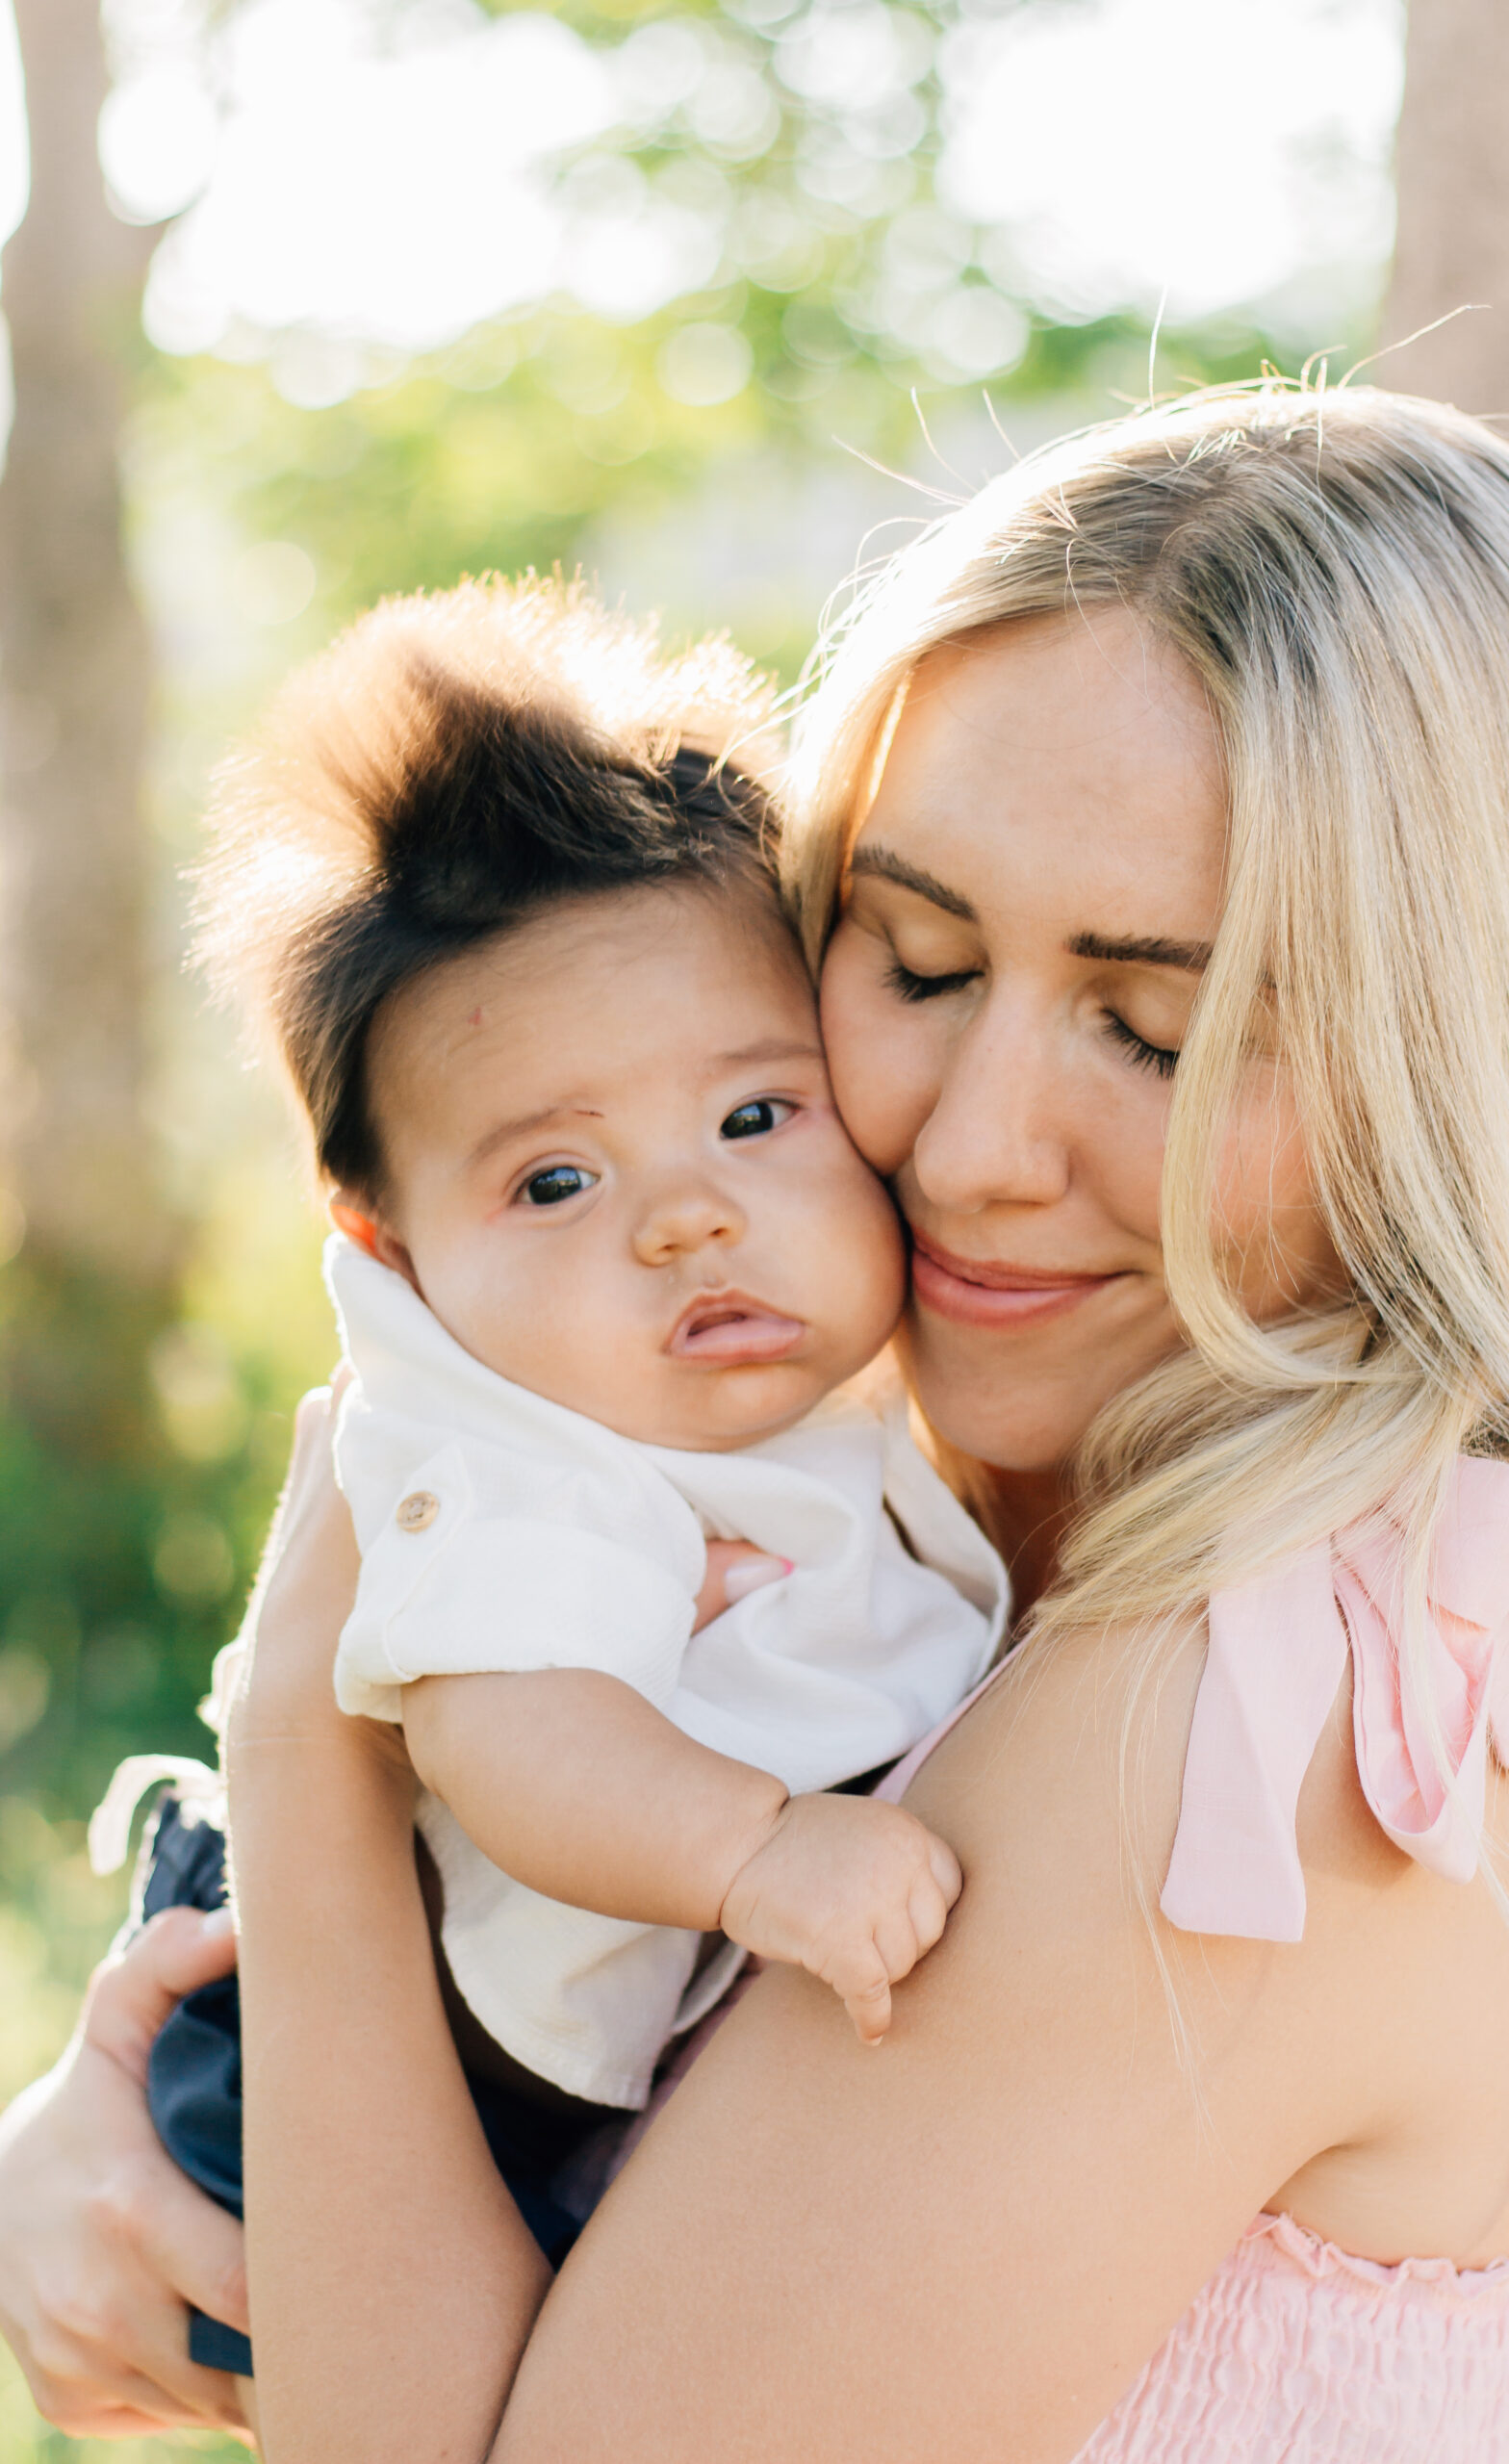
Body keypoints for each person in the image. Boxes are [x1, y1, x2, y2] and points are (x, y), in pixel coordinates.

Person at [6, 378, 1509, 2456]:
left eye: (1150, 1029)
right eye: (917, 957)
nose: (965, 1149)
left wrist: (305, 1761)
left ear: (1458, 1058)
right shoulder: (1015, 1541)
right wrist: (137, 2108)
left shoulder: (1236, 1738)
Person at [90, 578, 1006, 2374]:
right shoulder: (516, 1460)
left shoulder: (804, 1392)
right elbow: (512, 1738)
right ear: (392, 1252)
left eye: (756, 1116)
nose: (686, 1214)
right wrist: (756, 1853)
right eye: (556, 1184)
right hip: (370, 2027)